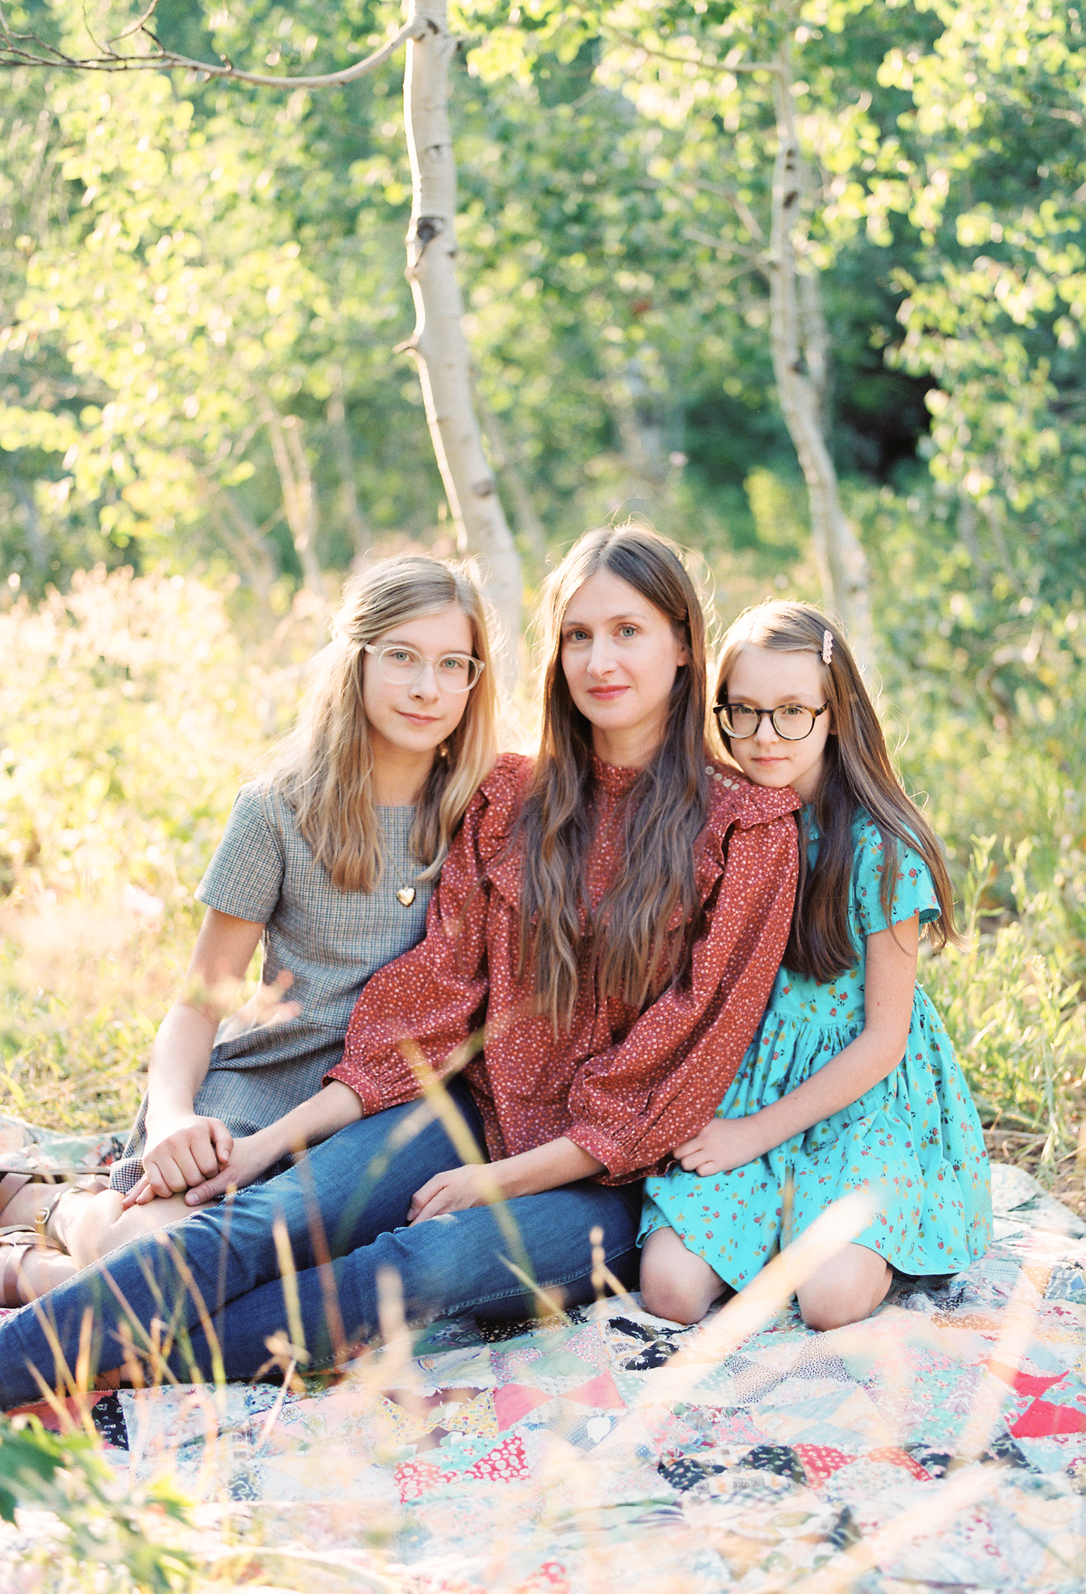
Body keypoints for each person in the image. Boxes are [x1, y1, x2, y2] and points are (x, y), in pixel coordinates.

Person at [0, 524, 800, 1408]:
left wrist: (495, 1182)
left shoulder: (748, 829)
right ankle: (42, 1329)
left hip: (608, 1184)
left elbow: (674, 1070)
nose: (599, 661)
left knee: (416, 1267)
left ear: (684, 645)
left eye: (628, 631)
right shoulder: (507, 797)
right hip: (460, 1111)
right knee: (276, 1218)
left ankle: (80, 1328)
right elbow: (433, 1001)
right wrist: (266, 1145)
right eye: (577, 635)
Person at [0, 554, 498, 1306]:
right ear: (354, 661)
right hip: (263, 1089)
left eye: (450, 663)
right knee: (162, 1263)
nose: (427, 687)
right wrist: (172, 1117)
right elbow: (199, 1003)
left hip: (380, 1117)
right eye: (401, 657)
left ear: (473, 678)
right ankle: (55, 1211)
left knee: (284, 1291)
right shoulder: (276, 811)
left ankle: (39, 1268)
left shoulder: (488, 814)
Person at [639, 601, 992, 1331]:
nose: (765, 737)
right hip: (751, 1077)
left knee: (829, 1301)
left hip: (861, 1101)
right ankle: (766, 1229)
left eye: (793, 712)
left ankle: (868, 1231)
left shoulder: (878, 848)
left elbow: (883, 1041)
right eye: (745, 712)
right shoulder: (725, 824)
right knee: (669, 1290)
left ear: (837, 713)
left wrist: (755, 1134)